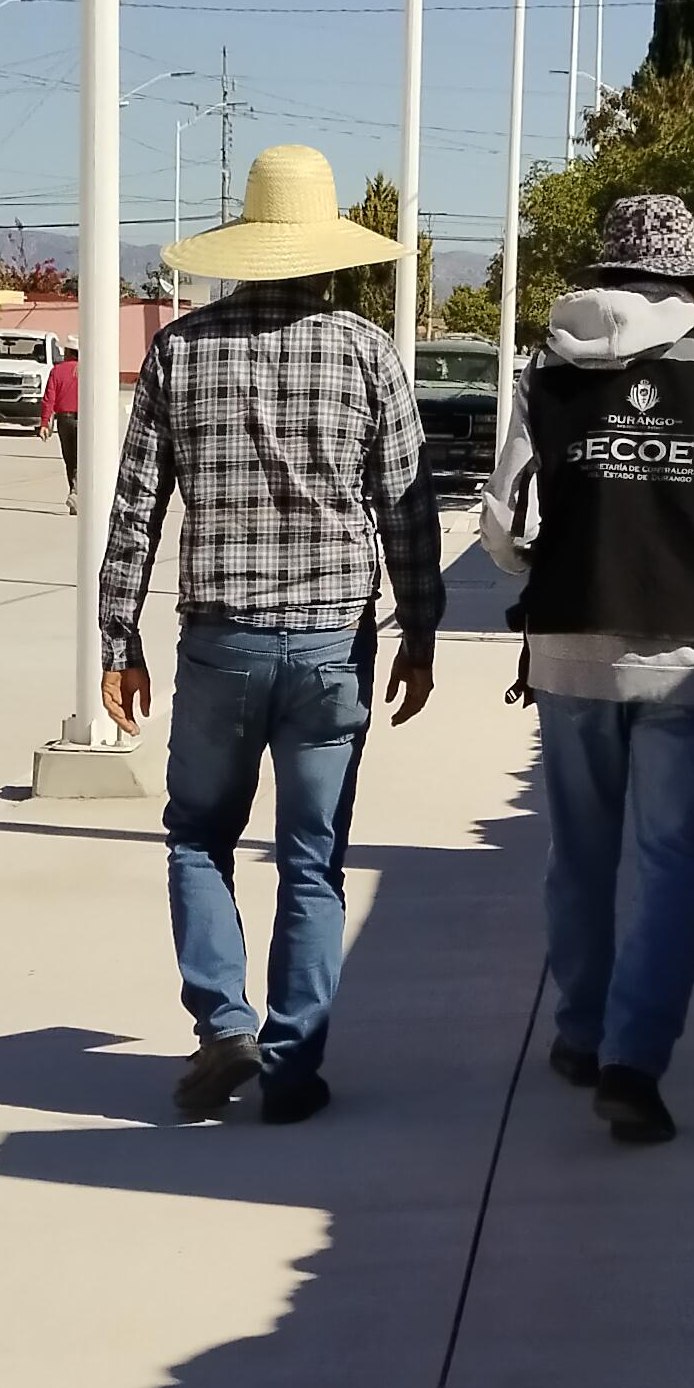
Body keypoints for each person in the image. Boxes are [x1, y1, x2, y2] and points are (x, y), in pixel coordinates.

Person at [98, 144, 442, 1124]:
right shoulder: (368, 352)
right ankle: (292, 1068)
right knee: (312, 858)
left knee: (199, 836)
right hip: (332, 646)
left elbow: (134, 508)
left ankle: (223, 1023)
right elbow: (408, 509)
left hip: (223, 644)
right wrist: (420, 632)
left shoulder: (180, 351)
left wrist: (119, 639)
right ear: (327, 251)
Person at [477, 189, 694, 1146]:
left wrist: (547, 560)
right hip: (691, 656)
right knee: (674, 864)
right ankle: (633, 1061)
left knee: (579, 853)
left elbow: (503, 526)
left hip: (570, 649)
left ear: (607, 271)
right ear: (689, 280)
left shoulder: (547, 369)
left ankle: (580, 1035)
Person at [44, 332, 81, 487]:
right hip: (85, 420)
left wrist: (44, 423)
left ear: (68, 352)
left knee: (70, 459)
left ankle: (74, 489)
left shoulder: (57, 370)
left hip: (65, 420)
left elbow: (49, 398)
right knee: (85, 459)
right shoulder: (90, 370)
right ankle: (81, 490)